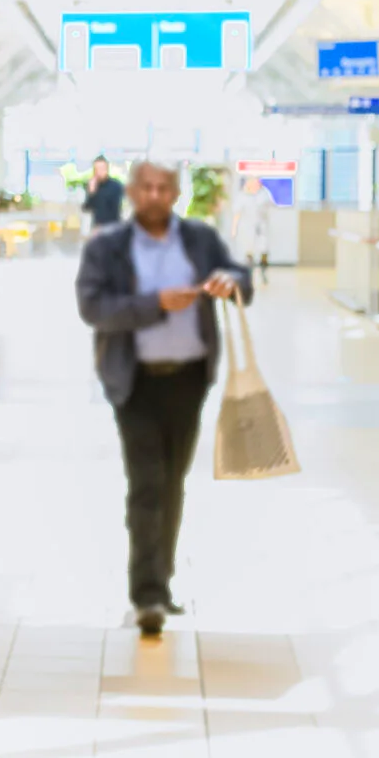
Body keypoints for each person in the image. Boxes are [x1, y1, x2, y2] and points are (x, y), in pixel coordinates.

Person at [76, 160, 251, 637]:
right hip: (134, 381)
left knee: (173, 481)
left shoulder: (199, 239)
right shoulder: (108, 247)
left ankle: (162, 582)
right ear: (131, 192)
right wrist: (155, 304)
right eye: (146, 187)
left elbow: (239, 274)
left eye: (164, 188)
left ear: (176, 193)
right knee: (148, 481)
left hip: (190, 379)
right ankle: (147, 594)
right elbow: (93, 308)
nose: (155, 195)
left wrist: (231, 282)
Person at [84, 155, 125, 228]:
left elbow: (115, 209)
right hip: (97, 227)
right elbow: (87, 208)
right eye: (96, 169)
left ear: (107, 169)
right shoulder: (92, 185)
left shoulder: (116, 186)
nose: (99, 172)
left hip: (113, 227)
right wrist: (91, 192)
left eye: (101, 169)